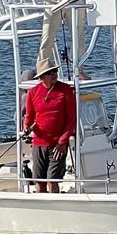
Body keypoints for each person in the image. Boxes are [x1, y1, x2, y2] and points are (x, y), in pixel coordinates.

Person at [22, 59, 77, 193]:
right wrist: (26, 127)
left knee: (53, 181)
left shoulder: (66, 91)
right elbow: (29, 117)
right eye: (50, 72)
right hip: (39, 143)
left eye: (55, 71)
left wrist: (62, 142)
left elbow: (72, 120)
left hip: (58, 144)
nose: (54, 74)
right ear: (41, 77)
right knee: (39, 181)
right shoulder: (33, 92)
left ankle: (56, 206)